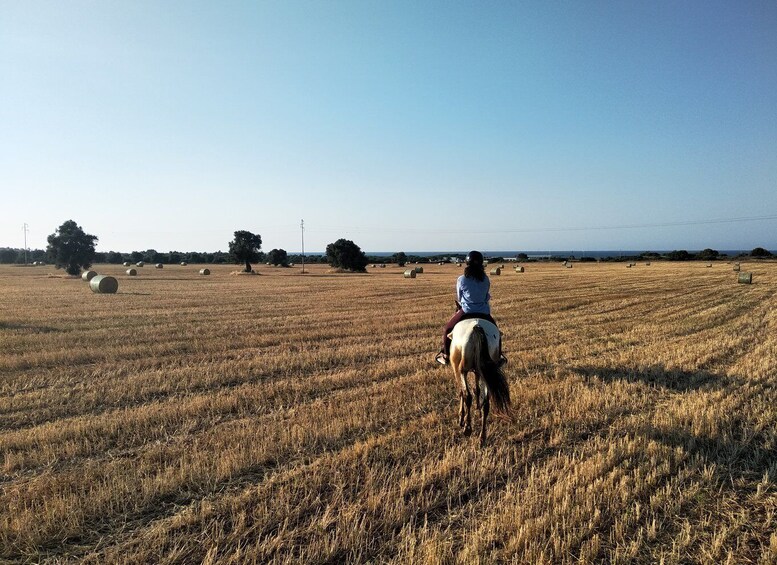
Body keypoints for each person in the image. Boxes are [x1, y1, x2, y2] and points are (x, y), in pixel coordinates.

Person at [435, 250, 505, 366]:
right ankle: (498, 356)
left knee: (447, 329)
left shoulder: (462, 279)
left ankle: (446, 356)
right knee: (496, 332)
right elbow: (486, 295)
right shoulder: (485, 279)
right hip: (484, 312)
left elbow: (459, 296)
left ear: (467, 263)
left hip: (467, 311)